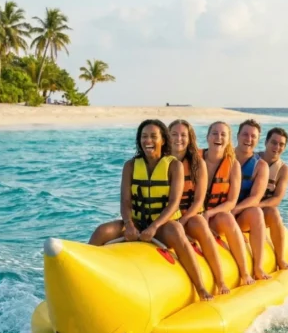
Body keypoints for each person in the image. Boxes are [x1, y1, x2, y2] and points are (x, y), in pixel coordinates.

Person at [89, 119, 213, 301]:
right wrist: (129, 225)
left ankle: (200, 287)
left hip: (163, 226)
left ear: (163, 140)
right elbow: (125, 200)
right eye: (144, 136)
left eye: (153, 136)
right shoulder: (130, 166)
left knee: (177, 231)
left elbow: (173, 203)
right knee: (102, 230)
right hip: (137, 223)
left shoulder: (174, 166)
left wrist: (154, 227)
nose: (148, 141)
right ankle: (83, 276)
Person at [169, 119, 230, 295]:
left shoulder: (197, 164)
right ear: (167, 137)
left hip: (190, 215)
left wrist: (184, 219)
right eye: (174, 134)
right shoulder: (161, 161)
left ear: (190, 139)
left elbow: (198, 200)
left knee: (200, 225)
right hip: (167, 217)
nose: (178, 139)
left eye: (183, 135)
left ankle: (220, 280)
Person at [202, 121, 255, 286]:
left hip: (214, 216)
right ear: (208, 137)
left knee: (227, 218)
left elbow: (232, 201)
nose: (218, 137)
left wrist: (209, 213)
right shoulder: (195, 160)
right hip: (193, 215)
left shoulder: (233, 165)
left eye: (223, 134)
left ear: (229, 140)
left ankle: (245, 272)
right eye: (214, 133)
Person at [232, 119, 271, 280]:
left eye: (253, 136)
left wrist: (234, 210)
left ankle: (258, 266)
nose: (248, 139)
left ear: (258, 139)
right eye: (245, 135)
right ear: (237, 136)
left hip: (239, 215)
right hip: (217, 213)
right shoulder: (224, 157)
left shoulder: (260, 166)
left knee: (256, 212)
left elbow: (255, 198)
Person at [258, 127, 288, 270]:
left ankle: (280, 258)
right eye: (273, 142)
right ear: (266, 142)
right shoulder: (253, 159)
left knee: (273, 211)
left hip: (262, 211)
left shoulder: (283, 169)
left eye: (281, 144)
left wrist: (255, 205)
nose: (277, 147)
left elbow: (277, 198)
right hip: (241, 209)